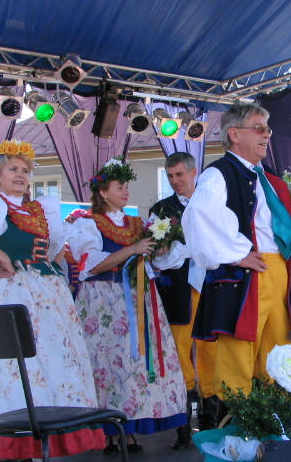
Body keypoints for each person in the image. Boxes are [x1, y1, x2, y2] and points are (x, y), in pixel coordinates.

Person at [0, 140, 103, 460]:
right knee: (13, 365)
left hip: (47, 296)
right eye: (13, 169)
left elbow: (54, 250)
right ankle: (13, 441)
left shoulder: (40, 209)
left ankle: (51, 433)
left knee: (54, 361)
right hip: (9, 292)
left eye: (25, 171)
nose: (20, 175)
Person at [182, 102, 291, 403]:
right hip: (248, 272)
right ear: (234, 134)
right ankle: (236, 422)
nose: (266, 135)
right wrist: (236, 254)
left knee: (280, 350)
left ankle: (275, 417)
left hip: (278, 270)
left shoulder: (269, 178)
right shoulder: (219, 173)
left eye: (268, 129)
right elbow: (198, 216)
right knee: (239, 350)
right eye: (258, 128)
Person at [66, 158, 187, 454]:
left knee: (134, 364)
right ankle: (108, 431)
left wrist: (161, 246)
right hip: (103, 301)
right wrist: (133, 249)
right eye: (119, 186)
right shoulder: (88, 222)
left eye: (126, 186)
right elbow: (91, 266)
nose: (125, 190)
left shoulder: (138, 224)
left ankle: (129, 430)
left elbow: (157, 261)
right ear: (103, 192)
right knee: (106, 363)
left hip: (137, 297)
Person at [149, 152, 218, 449]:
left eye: (179, 174)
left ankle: (213, 422)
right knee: (179, 353)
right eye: (170, 176)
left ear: (193, 173)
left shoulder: (213, 201)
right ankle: (183, 426)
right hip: (178, 290)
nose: (175, 181)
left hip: (212, 286)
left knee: (212, 351)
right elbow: (157, 257)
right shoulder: (161, 210)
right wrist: (185, 250)